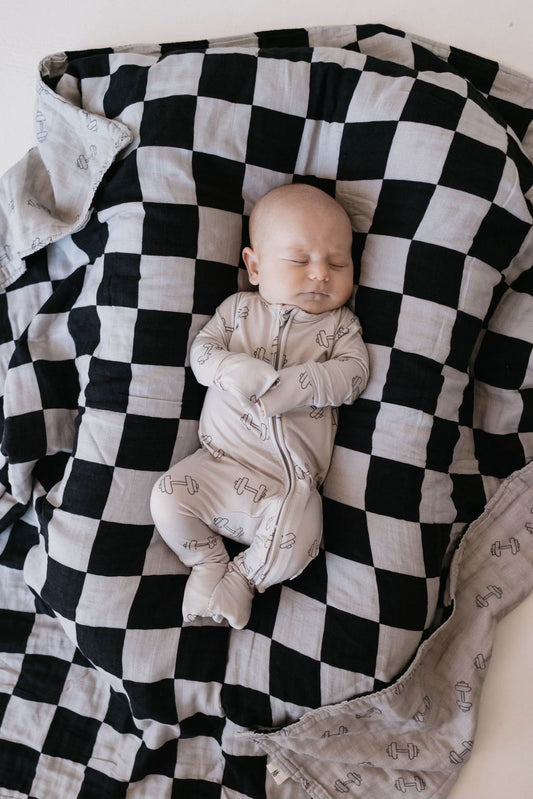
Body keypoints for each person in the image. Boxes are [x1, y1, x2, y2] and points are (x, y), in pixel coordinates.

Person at [150, 183, 370, 629]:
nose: (320, 274)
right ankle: (207, 562)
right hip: (218, 466)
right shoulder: (237, 312)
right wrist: (229, 367)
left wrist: (304, 383)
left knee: (305, 531)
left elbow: (355, 375)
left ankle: (244, 577)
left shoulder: (341, 325)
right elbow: (201, 355)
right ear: (254, 266)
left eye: (337, 263)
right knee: (166, 498)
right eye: (299, 260)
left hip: (286, 487)